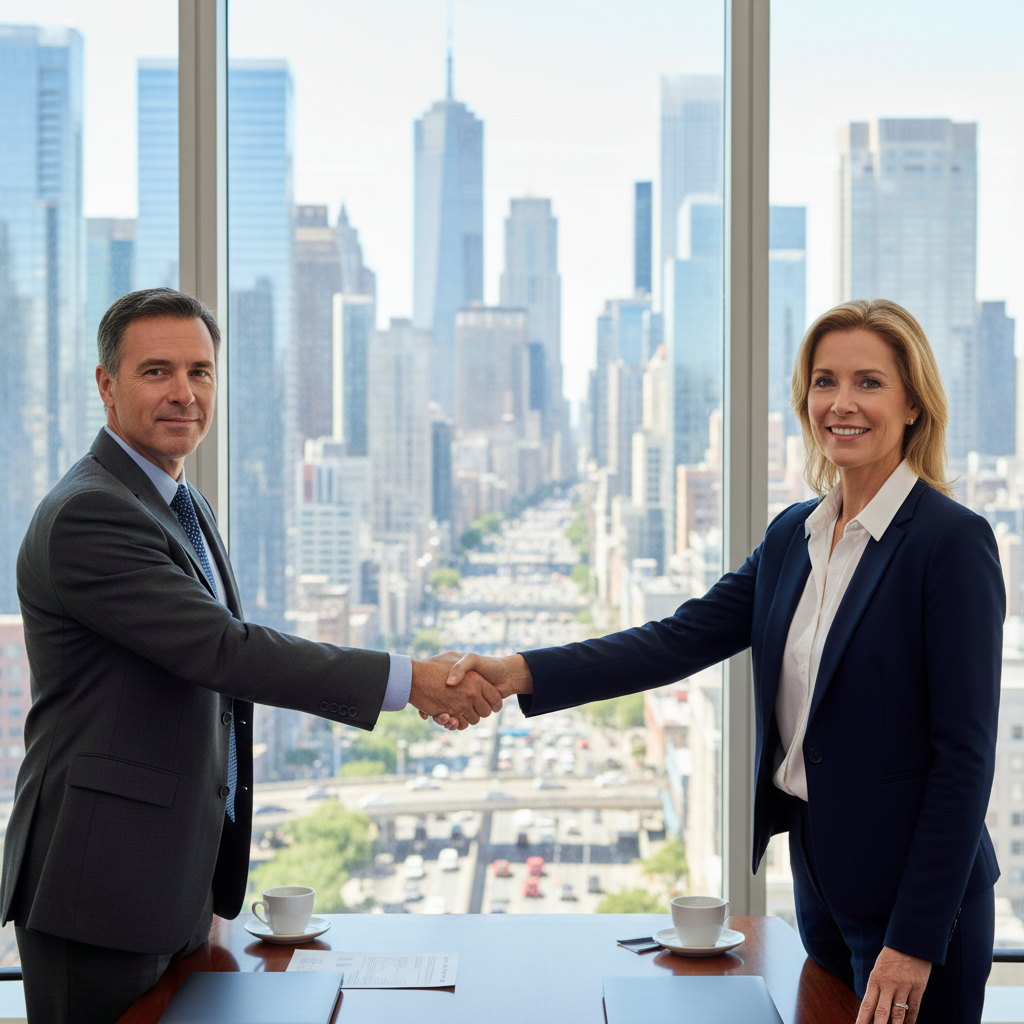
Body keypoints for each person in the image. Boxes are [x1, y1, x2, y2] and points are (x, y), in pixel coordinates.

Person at [446, 299, 1001, 1024]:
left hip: (920, 911)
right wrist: (520, 671)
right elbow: (676, 640)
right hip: (823, 893)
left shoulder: (949, 543)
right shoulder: (793, 537)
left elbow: (964, 759)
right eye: (824, 381)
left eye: (869, 382)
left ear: (914, 404)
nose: (841, 403)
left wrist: (915, 939)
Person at [0, 288, 501, 1024]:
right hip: (99, 886)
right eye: (157, 372)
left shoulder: (179, 502)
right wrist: (410, 681)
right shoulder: (91, 512)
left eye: (200, 372)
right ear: (106, 385)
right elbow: (222, 651)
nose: (184, 393)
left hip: (167, 878)